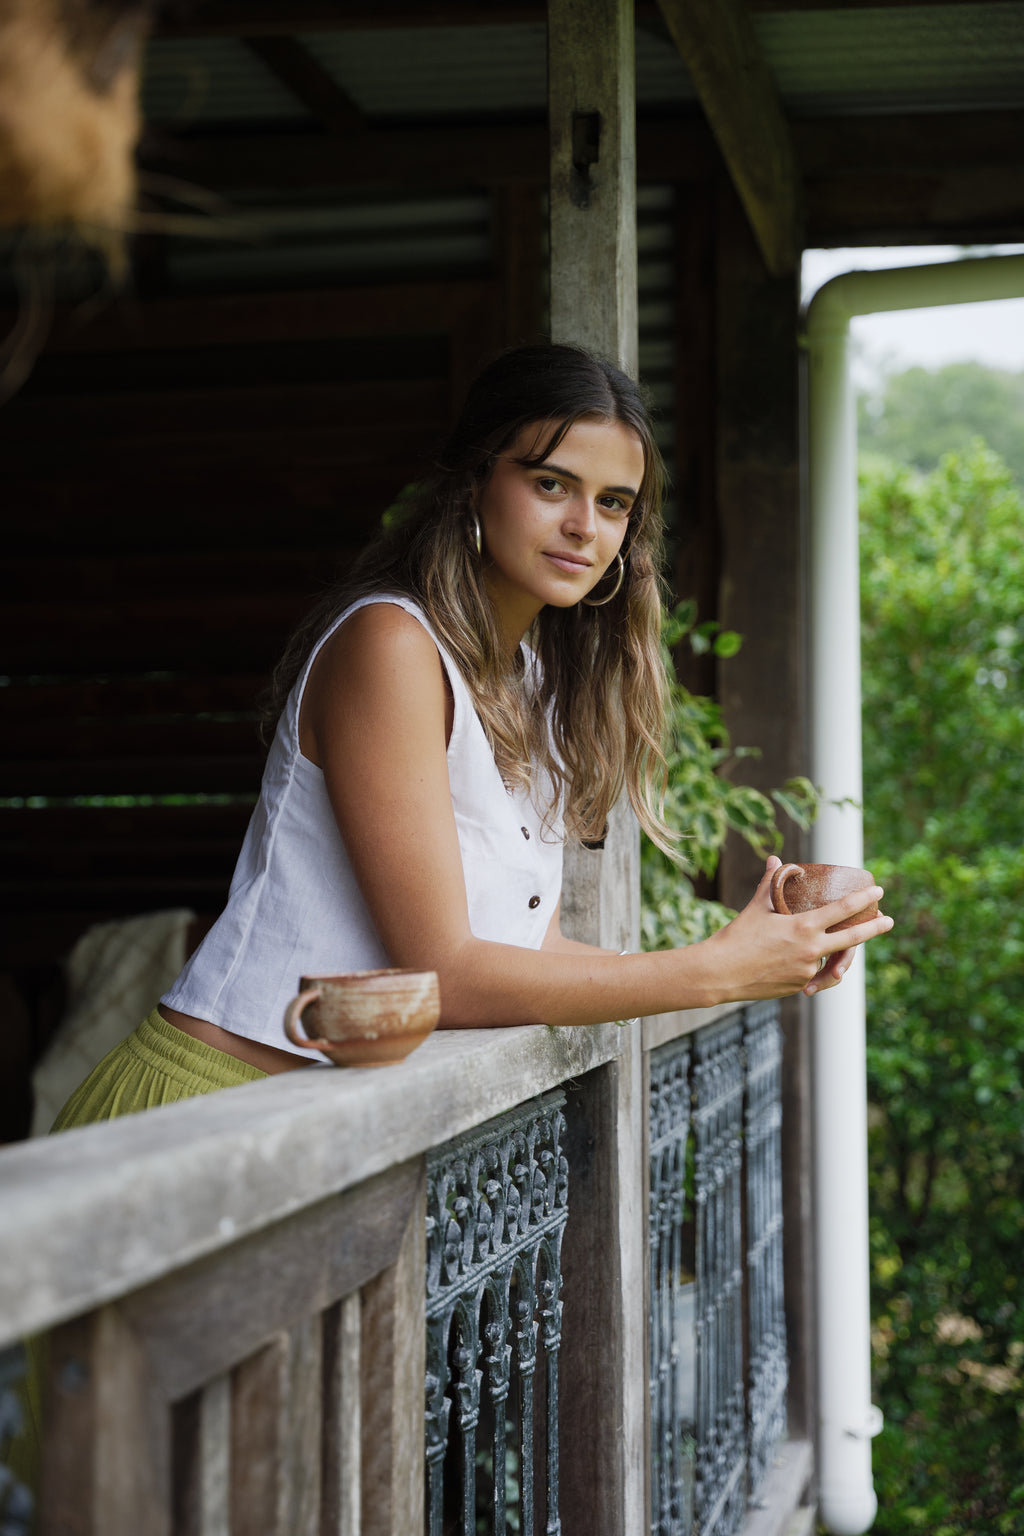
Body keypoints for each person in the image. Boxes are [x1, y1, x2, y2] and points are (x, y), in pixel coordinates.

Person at [51, 341, 892, 1130]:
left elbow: (530, 950)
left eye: (614, 503)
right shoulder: (390, 645)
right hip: (207, 1109)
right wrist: (709, 974)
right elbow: (442, 973)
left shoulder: (537, 687)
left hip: (328, 1133)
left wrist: (745, 957)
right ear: (475, 479)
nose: (585, 526)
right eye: (552, 484)